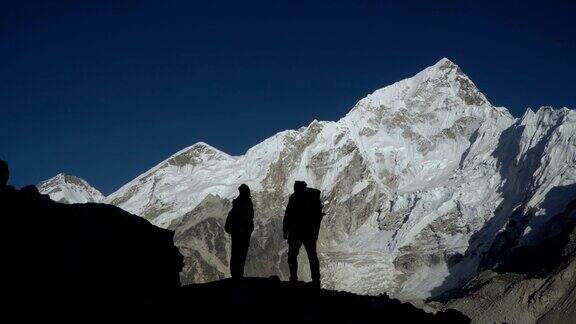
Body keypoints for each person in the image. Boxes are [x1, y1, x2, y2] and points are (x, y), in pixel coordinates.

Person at [283, 181, 324, 288]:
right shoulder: (310, 198)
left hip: (296, 233)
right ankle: (316, 280)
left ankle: (293, 278)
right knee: (312, 256)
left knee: (292, 256)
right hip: (309, 233)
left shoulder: (294, 198)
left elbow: (288, 215)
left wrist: (285, 230)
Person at [225, 184, 254, 278]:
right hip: (243, 234)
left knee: (236, 254)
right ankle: (238, 275)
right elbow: (248, 219)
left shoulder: (236, 205)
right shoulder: (246, 204)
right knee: (241, 255)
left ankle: (235, 275)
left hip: (237, 234)